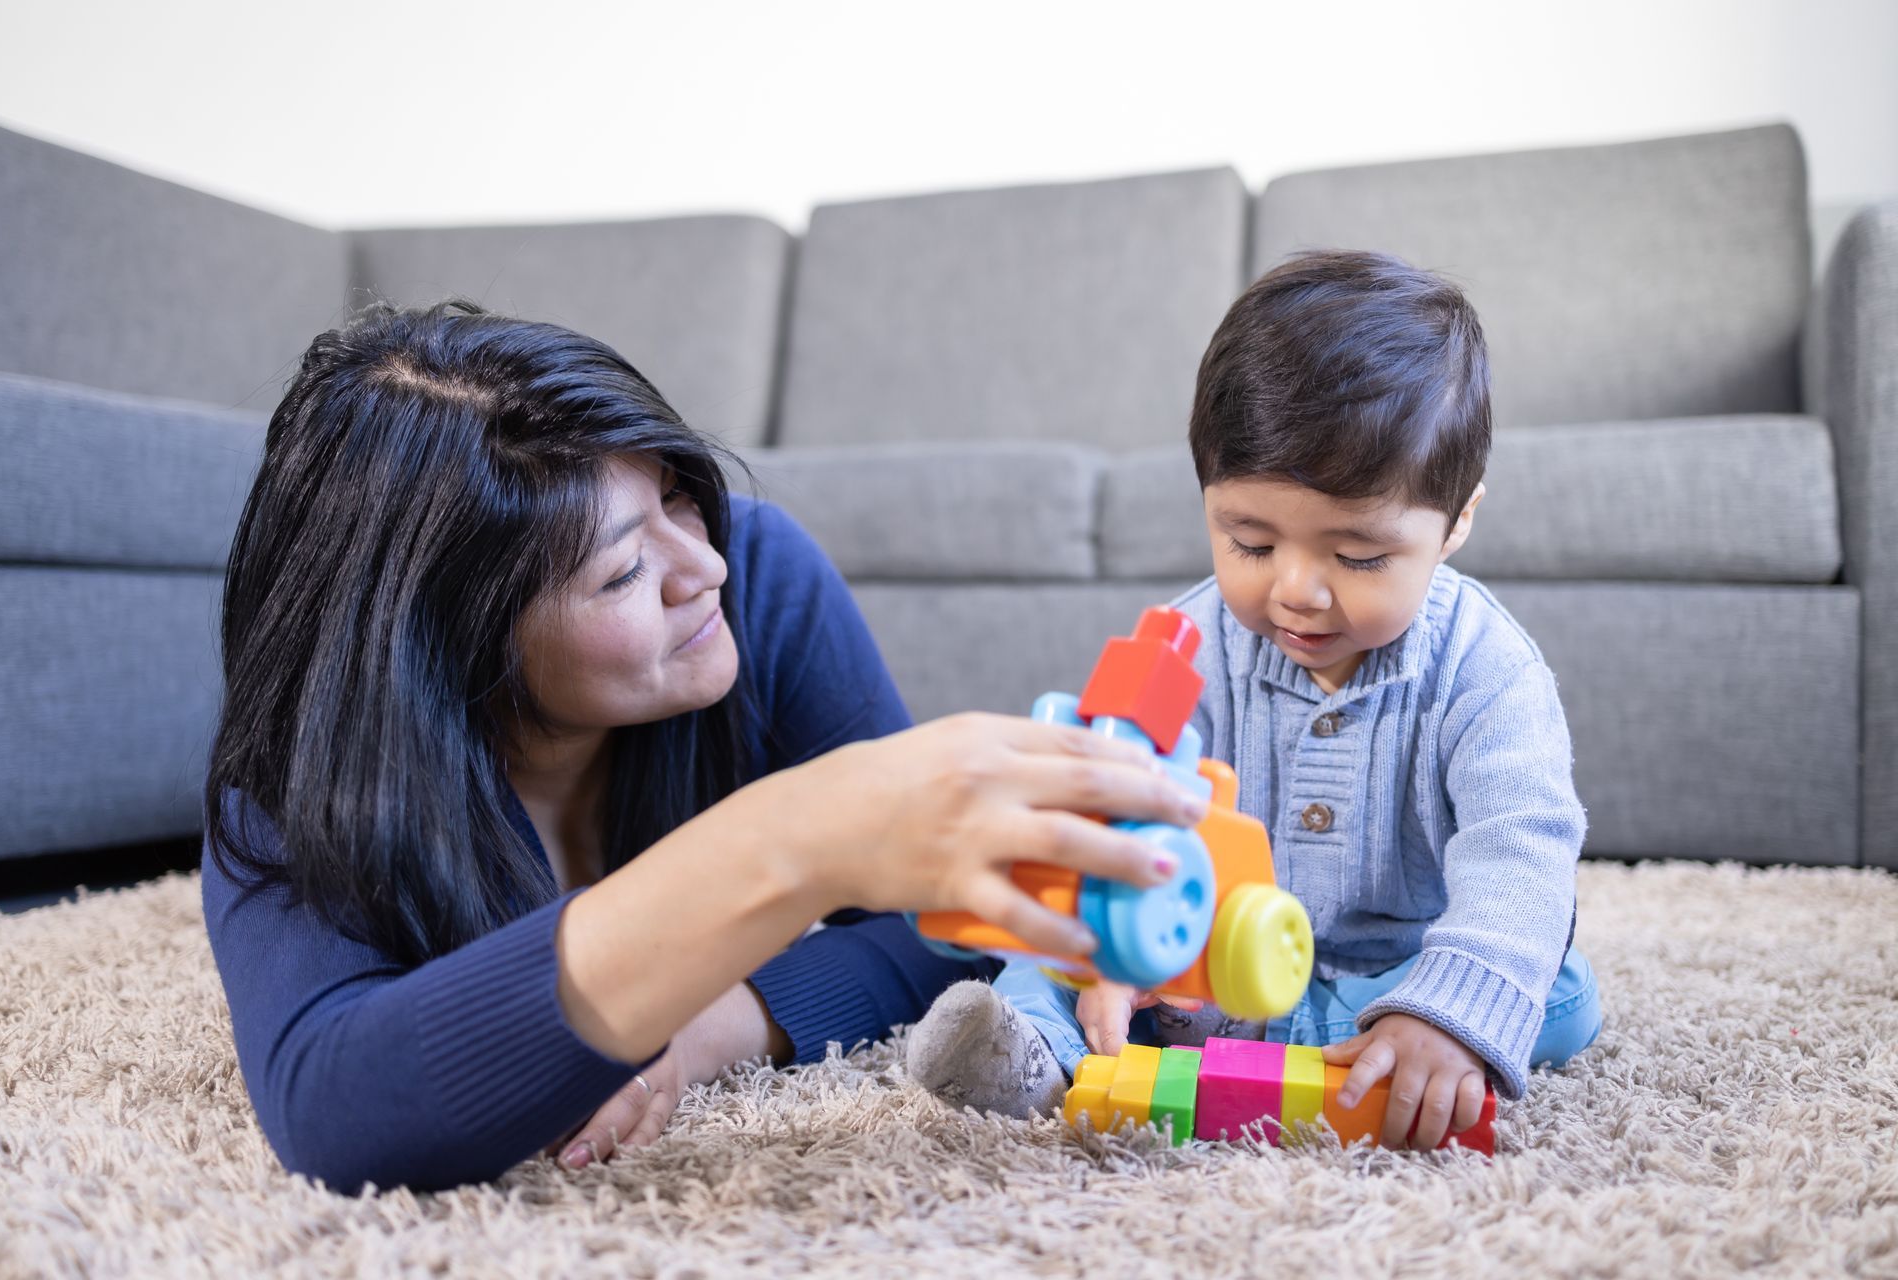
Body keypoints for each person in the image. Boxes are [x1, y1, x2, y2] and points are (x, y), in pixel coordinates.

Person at [201, 300, 1210, 1194]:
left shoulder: (762, 576)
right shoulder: (305, 756)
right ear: (448, 642)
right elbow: (332, 1102)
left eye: (678, 495)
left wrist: (701, 1020)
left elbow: (932, 933)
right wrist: (790, 836)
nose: (706, 564)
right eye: (623, 569)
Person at [907, 250, 1604, 1151]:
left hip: (1391, 966)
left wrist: (1446, 1011)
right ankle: (1037, 1052)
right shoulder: (1182, 647)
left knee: (1552, 992)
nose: (1299, 592)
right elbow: (1115, 802)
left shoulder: (1489, 670)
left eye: (1358, 558)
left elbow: (1521, 847)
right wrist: (1114, 952)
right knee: (1041, 948)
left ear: (1456, 521)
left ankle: (1385, 1036)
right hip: (1202, 956)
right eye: (1249, 541)